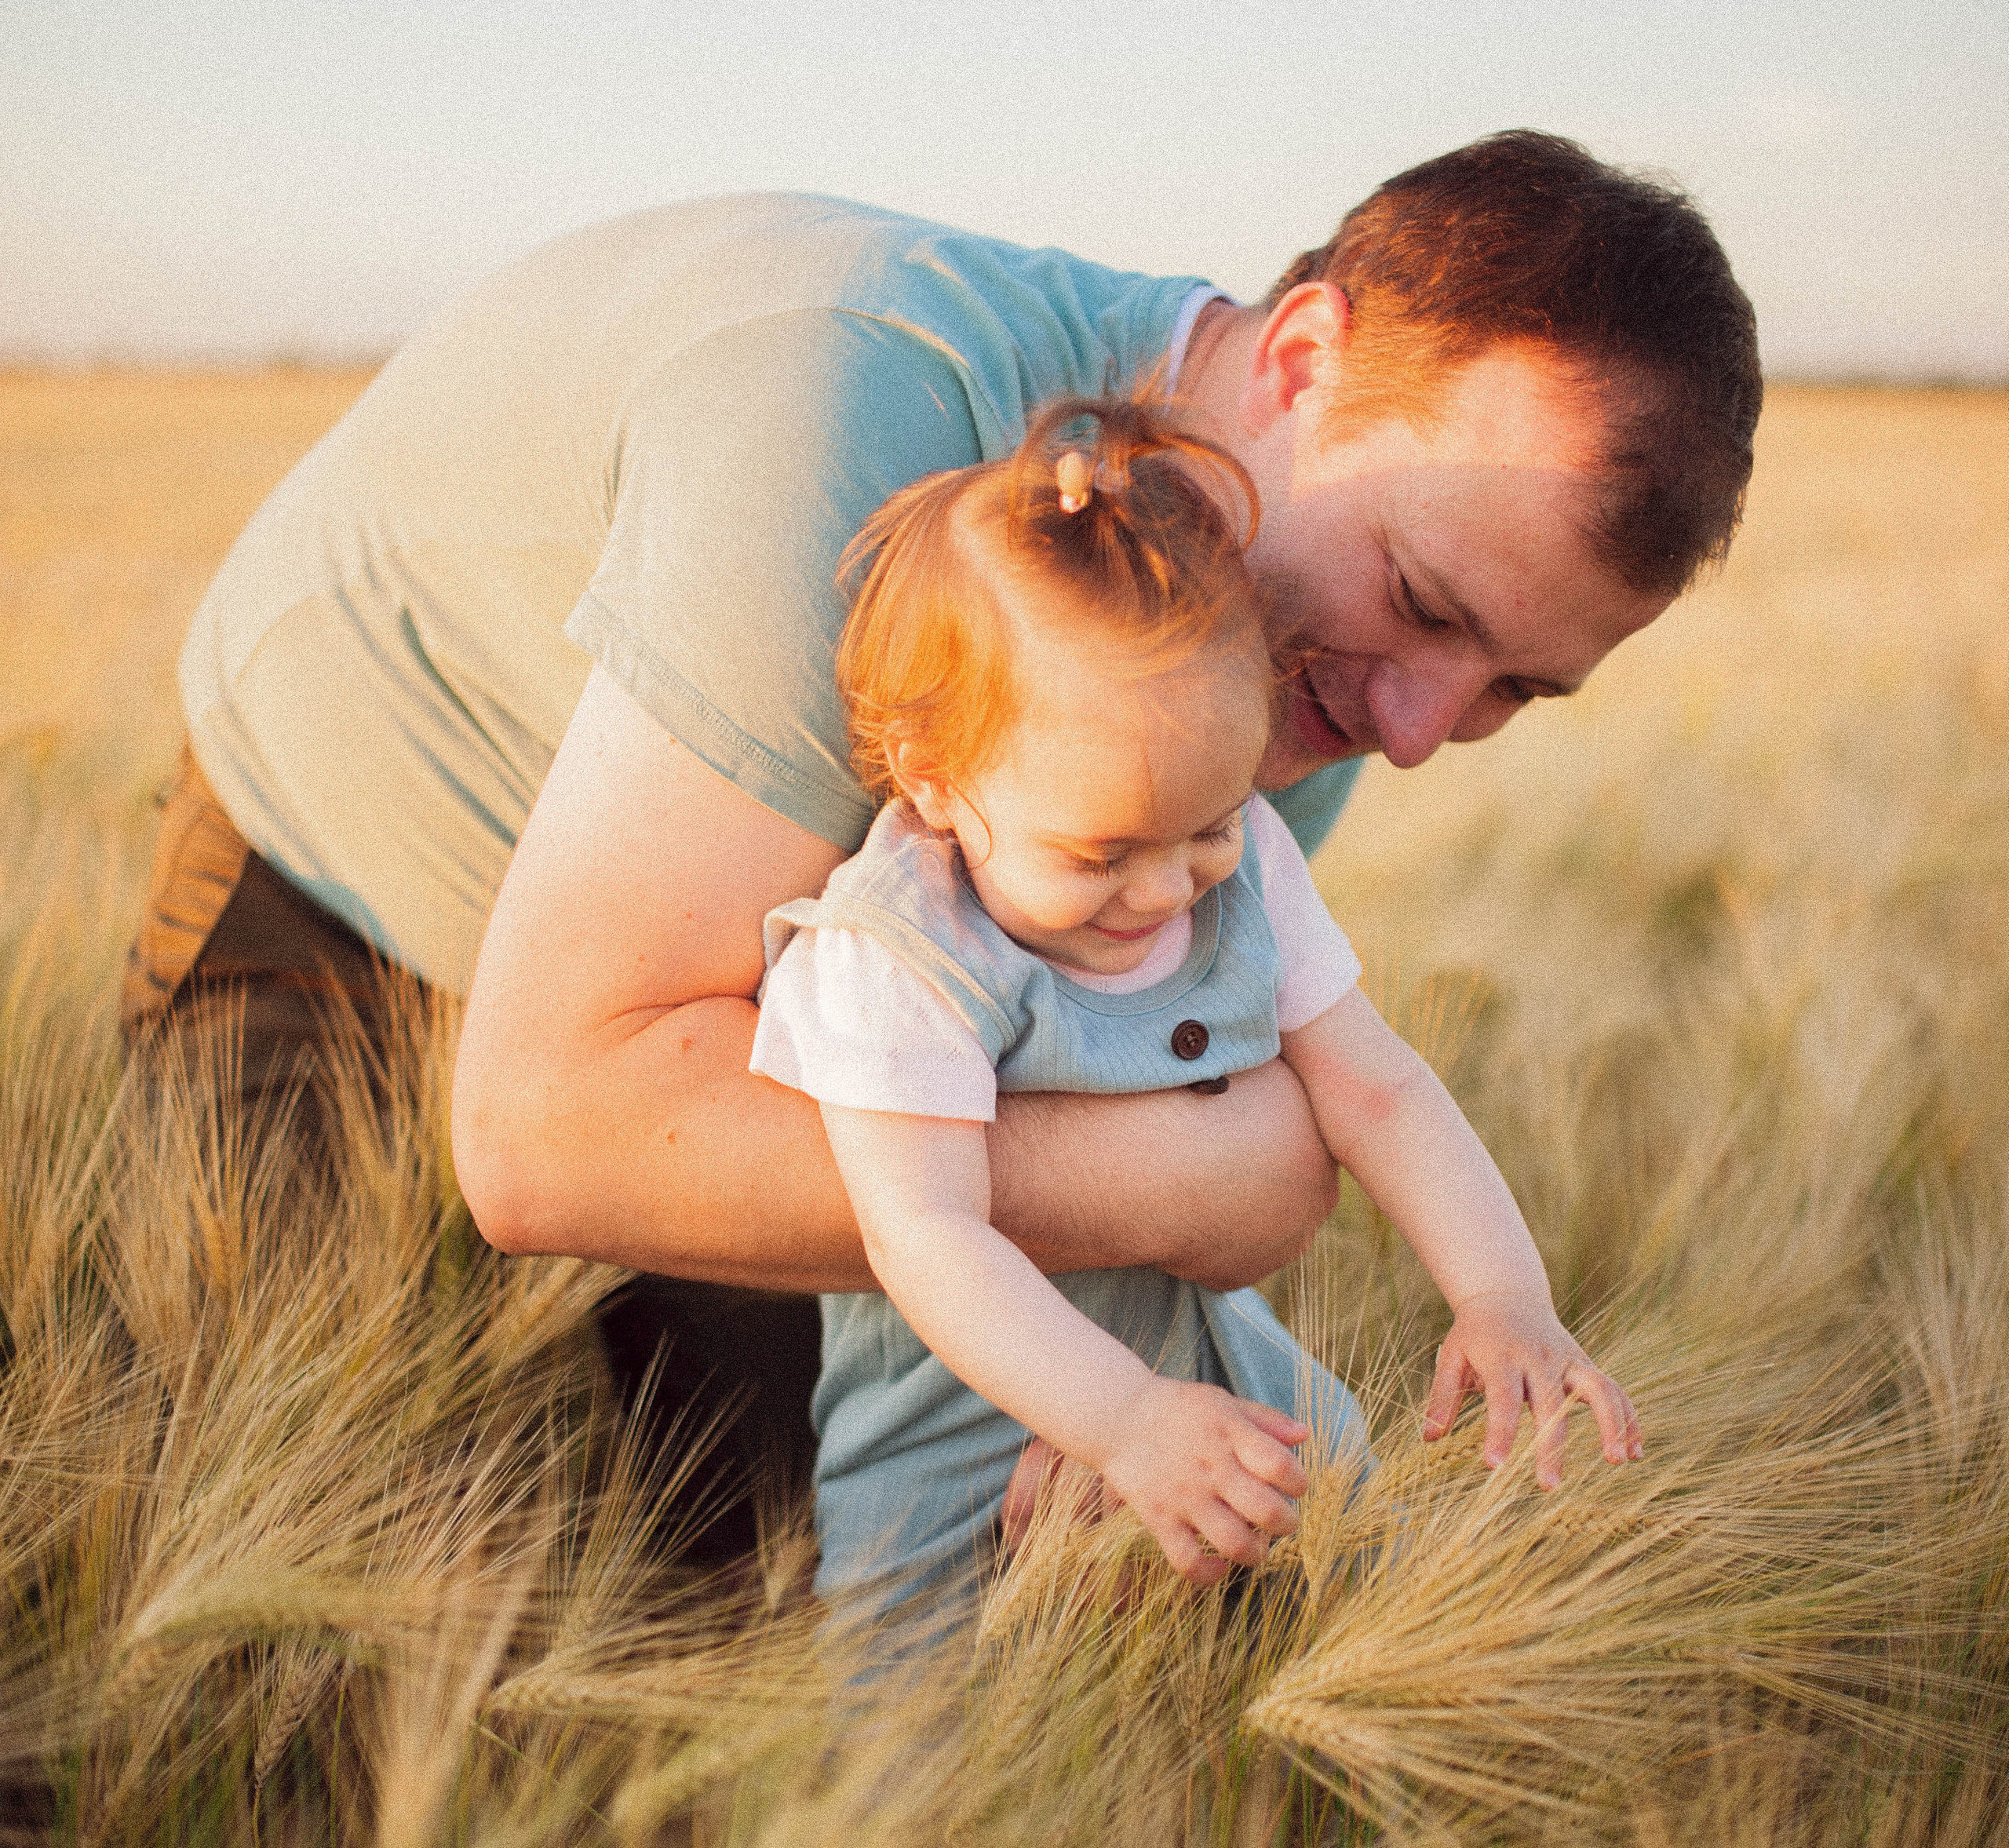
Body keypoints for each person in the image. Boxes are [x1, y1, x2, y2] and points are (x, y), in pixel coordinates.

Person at [126, 133, 1759, 1535]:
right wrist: (1180, 1192)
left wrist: (1107, 1363)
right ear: (1299, 361)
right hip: (341, 893)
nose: (1412, 733)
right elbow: (546, 1127)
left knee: (784, 1606)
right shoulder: (848, 418)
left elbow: (1090, 1049)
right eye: (1419, 601)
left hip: (785, 1021)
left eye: (1510, 693)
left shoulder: (1295, 668)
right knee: (285, 1634)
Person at [751, 398, 1641, 1622]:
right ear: (935, 777)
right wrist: (1120, 1423)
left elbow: (1375, 1085)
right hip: (954, 1443)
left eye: (1208, 827)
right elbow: (927, 1235)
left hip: (1231, 1381)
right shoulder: (900, 950)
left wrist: (1503, 1296)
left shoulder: (1248, 862)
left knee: (1344, 1615)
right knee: (919, 1763)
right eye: (1105, 850)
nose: (1169, 889)